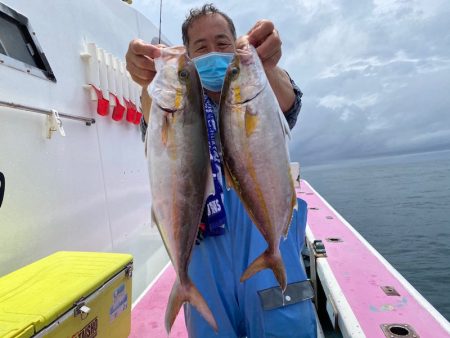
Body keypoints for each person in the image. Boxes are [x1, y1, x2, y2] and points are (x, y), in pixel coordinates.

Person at [126, 4, 316, 338]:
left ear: (237, 44)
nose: (213, 52)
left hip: (265, 244)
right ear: (188, 54)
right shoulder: (177, 109)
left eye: (223, 42)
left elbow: (288, 102)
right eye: (200, 47)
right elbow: (153, 113)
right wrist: (147, 80)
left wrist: (267, 66)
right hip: (203, 260)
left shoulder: (261, 92)